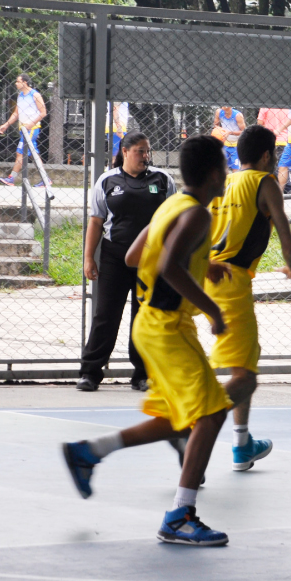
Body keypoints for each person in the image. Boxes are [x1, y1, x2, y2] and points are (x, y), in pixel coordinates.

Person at [61, 135, 234, 546]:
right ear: (214, 174)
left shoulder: (171, 205)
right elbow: (168, 263)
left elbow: (134, 255)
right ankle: (180, 515)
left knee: (177, 419)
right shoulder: (197, 215)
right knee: (211, 414)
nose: (227, 173)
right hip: (168, 327)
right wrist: (211, 309)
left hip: (154, 326)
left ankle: (90, 451)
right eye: (225, 167)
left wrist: (200, 260)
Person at [205, 125, 291, 471]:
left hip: (211, 275)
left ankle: (242, 443)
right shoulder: (265, 183)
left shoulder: (227, 182)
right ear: (265, 156)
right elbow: (287, 238)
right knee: (245, 377)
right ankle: (191, 423)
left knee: (242, 365)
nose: (274, 160)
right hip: (232, 281)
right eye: (273, 154)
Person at [77, 133, 177, 392]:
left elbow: (173, 221)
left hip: (151, 259)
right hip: (114, 257)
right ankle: (90, 372)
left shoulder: (163, 180)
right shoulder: (107, 181)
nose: (145, 156)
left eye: (147, 151)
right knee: (106, 315)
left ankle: (142, 374)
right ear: (125, 151)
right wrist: (89, 258)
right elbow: (96, 222)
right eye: (140, 151)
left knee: (143, 317)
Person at [0, 73, 47, 187]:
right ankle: (46, 179)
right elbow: (16, 113)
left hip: (32, 129)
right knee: (33, 154)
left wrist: (31, 123)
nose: (16, 83)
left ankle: (11, 178)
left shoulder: (35, 95)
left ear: (25, 82)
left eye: (18, 81)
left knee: (20, 153)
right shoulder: (20, 96)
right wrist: (6, 124)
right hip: (23, 128)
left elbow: (43, 112)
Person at [257, 107, 291, 189]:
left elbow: (260, 123)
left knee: (269, 164)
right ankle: (287, 188)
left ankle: (271, 187)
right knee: (283, 166)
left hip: (269, 140)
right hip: (284, 140)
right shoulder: (286, 107)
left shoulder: (265, 106)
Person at [214, 106, 245, 171]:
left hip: (236, 145)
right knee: (222, 167)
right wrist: (220, 132)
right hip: (224, 144)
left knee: (236, 169)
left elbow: (243, 131)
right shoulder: (219, 112)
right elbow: (215, 125)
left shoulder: (237, 115)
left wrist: (230, 132)